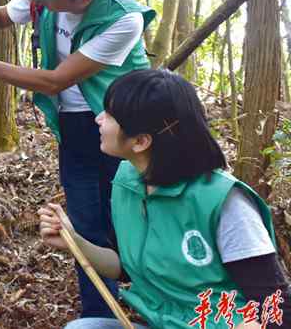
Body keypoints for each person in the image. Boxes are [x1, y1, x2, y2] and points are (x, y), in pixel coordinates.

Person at [0, 0, 155, 319]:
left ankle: (154, 304)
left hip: (128, 132)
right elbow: (6, 15)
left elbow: (56, 80)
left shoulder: (122, 19)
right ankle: (100, 317)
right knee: (86, 222)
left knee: (133, 219)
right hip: (76, 127)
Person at [39, 69, 291, 329]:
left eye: (110, 115)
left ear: (140, 141)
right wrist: (74, 242)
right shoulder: (128, 181)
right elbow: (123, 267)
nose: (99, 119)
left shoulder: (224, 202)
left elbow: (275, 308)